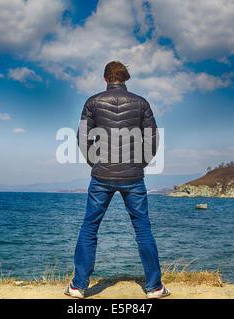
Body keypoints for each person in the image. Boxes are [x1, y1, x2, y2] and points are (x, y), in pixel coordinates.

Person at [64, 61, 170, 299]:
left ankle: (78, 287)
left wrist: (95, 162)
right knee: (142, 228)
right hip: (133, 176)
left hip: (101, 175)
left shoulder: (92, 102)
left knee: (90, 227)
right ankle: (154, 287)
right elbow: (152, 140)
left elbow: (82, 139)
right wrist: (140, 164)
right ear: (126, 79)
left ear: (106, 79)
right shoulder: (142, 103)